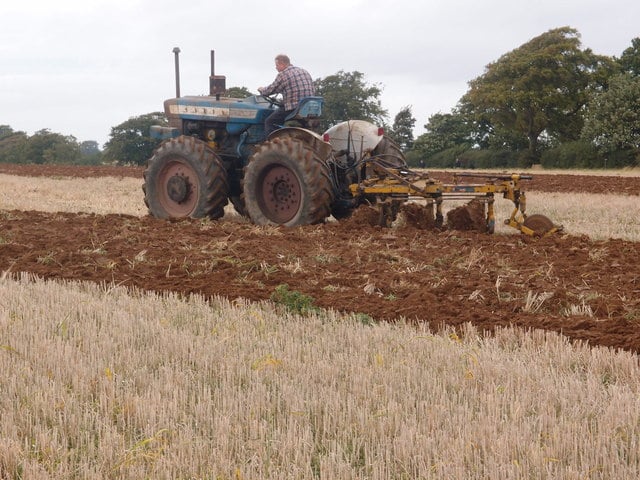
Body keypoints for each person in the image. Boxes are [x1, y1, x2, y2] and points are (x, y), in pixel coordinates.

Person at [258, 54, 315, 134]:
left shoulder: (284, 74)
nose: (276, 68)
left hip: (295, 107)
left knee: (269, 122)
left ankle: (272, 144)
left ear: (282, 64)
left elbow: (270, 90)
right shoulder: (304, 71)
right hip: (310, 107)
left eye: (276, 65)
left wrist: (261, 89)